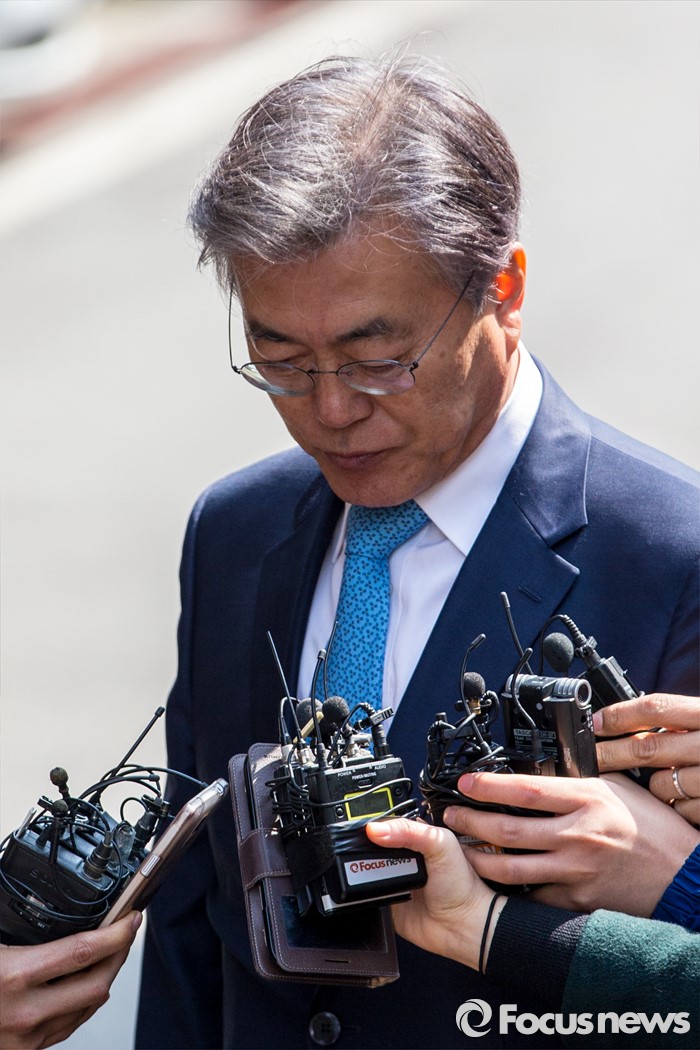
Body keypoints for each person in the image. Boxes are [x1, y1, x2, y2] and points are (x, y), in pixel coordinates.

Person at [3, 53, 698, 1050]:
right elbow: (196, 931)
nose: (329, 411)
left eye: (378, 361)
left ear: (503, 290)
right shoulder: (234, 532)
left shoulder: (673, 558)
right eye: (280, 360)